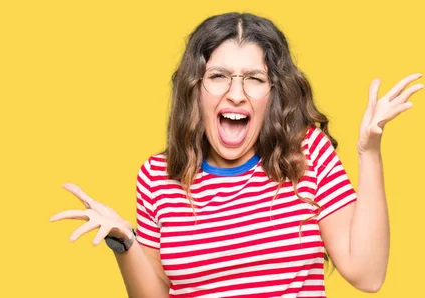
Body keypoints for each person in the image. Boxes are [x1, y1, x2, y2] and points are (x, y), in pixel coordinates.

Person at [50, 12, 422, 297]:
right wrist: (124, 240)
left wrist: (368, 152)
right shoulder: (157, 177)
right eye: (219, 76)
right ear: (195, 88)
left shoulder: (306, 154)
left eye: (254, 79)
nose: (236, 94)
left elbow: (368, 275)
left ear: (273, 93)